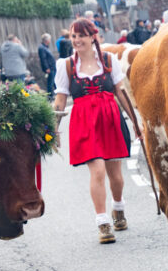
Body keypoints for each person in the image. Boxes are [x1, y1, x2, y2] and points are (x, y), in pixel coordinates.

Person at [53, 18, 130, 244]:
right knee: (97, 172)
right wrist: (52, 131)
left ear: (92, 37)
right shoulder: (66, 66)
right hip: (84, 122)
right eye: (73, 36)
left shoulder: (109, 60)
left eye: (81, 36)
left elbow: (120, 92)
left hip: (110, 118)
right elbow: (59, 101)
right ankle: (103, 222)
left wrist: (136, 122)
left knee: (116, 174)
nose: (76, 41)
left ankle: (118, 207)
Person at [38, 33, 56, 100]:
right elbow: (43, 59)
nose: (50, 41)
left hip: (52, 67)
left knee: (53, 81)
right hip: (49, 68)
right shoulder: (42, 48)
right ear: (47, 40)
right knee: (50, 82)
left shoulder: (45, 47)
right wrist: (47, 68)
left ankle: (53, 94)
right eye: (49, 39)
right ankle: (50, 96)